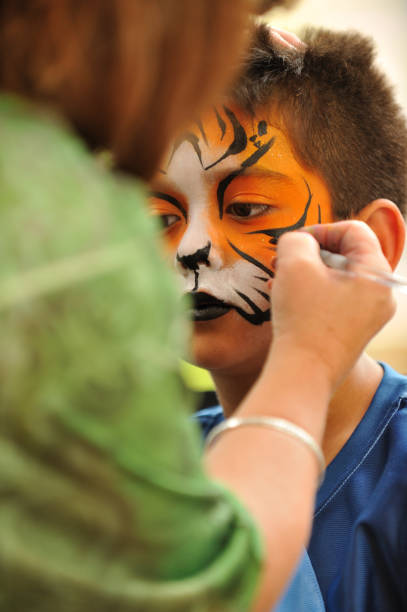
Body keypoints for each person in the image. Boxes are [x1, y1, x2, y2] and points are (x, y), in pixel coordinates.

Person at [148, 24, 407, 611]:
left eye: (245, 208)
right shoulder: (150, 474)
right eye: (159, 217)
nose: (190, 247)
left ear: (371, 242)